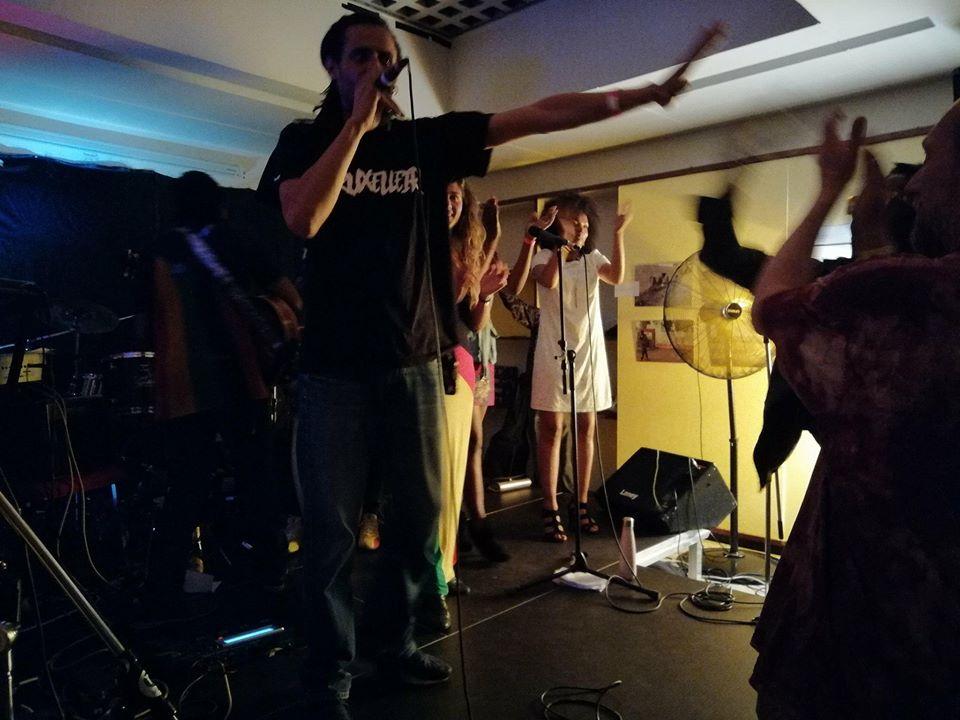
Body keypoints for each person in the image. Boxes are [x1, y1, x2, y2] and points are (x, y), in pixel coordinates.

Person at [256, 11, 722, 717]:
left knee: (420, 523)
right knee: (331, 535)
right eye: (361, 57)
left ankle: (394, 644)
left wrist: (641, 96)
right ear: (332, 67)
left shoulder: (425, 143)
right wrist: (352, 128)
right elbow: (303, 218)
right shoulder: (304, 141)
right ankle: (329, 679)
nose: (378, 70)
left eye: (387, 59)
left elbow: (535, 115)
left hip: (416, 363)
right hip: (333, 373)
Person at [749, 106, 960, 718]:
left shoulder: (918, 293)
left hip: (855, 646)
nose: (914, 184)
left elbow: (773, 306)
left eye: (933, 158)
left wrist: (829, 192)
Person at [148, 171, 300, 599]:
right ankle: (268, 570)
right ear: (221, 206)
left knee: (184, 488)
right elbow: (289, 295)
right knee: (257, 478)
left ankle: (164, 584)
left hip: (182, 389)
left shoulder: (158, 249)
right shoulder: (233, 241)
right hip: (239, 381)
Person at [530, 194, 631, 541]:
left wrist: (618, 234)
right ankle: (549, 505)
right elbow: (549, 282)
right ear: (557, 224)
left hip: (588, 351)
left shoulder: (593, 258)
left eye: (585, 225)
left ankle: (582, 501)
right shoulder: (543, 257)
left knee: (587, 426)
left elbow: (616, 276)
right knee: (552, 427)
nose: (581, 230)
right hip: (554, 348)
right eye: (574, 223)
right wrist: (560, 248)